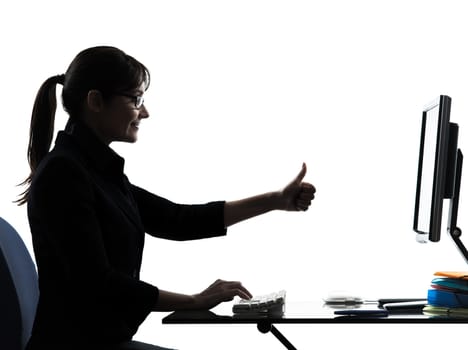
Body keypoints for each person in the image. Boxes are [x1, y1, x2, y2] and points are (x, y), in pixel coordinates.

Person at [17, 46, 316, 350]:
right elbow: (100, 283)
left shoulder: (95, 170)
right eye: (136, 100)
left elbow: (176, 220)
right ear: (95, 101)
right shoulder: (65, 174)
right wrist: (195, 300)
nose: (144, 112)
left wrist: (276, 200)